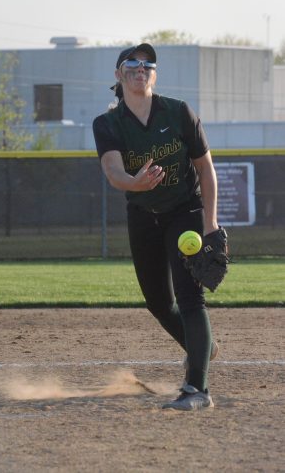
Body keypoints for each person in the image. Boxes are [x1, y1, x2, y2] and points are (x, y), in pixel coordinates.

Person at [93, 43, 219, 411]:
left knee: (191, 297)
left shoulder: (178, 112)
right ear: (119, 75)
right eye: (131, 63)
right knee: (159, 303)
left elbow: (205, 169)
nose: (140, 67)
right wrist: (136, 183)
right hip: (143, 214)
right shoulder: (108, 123)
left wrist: (210, 223)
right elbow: (114, 171)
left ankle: (197, 389)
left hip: (185, 212)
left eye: (148, 64)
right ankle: (203, 348)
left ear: (154, 75)